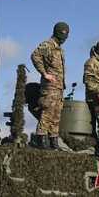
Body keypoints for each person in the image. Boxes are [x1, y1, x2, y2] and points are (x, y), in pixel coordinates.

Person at [31, 22, 69, 150]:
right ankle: (41, 139)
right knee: (47, 112)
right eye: (63, 33)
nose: (65, 36)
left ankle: (53, 140)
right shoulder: (48, 45)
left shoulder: (59, 48)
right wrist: (45, 73)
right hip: (50, 86)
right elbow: (35, 55)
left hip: (58, 87)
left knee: (56, 115)